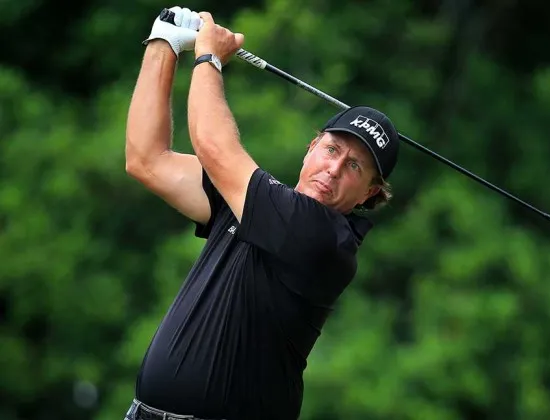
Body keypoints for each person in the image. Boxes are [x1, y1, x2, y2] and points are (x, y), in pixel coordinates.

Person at [123, 6, 400, 420]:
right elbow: (146, 159)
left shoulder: (325, 238)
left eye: (355, 167)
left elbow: (215, 148)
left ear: (370, 193)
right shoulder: (252, 204)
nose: (334, 169)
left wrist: (209, 57)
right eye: (331, 149)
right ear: (311, 147)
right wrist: (163, 43)